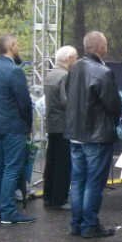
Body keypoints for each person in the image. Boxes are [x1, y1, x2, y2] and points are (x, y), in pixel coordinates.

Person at [65, 31, 122, 238]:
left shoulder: (75, 68)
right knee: (93, 183)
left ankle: (76, 223)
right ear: (100, 47)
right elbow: (114, 104)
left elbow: (68, 95)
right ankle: (89, 224)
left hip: (75, 133)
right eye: (105, 44)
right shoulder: (102, 72)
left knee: (78, 181)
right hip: (96, 136)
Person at [0, 35, 34, 224]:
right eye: (17, 44)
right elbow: (24, 102)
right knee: (12, 168)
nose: (18, 47)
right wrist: (28, 125)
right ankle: (8, 211)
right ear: (11, 46)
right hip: (13, 126)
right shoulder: (14, 71)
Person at [43, 45, 77, 210]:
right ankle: (59, 198)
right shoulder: (65, 76)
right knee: (63, 164)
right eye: (75, 58)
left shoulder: (50, 74)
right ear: (69, 59)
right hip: (63, 124)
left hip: (52, 123)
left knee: (51, 161)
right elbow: (66, 101)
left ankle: (48, 195)